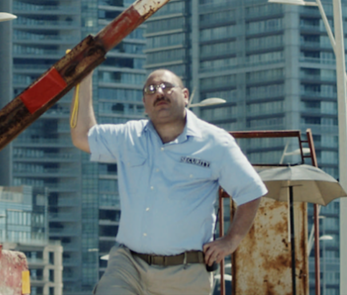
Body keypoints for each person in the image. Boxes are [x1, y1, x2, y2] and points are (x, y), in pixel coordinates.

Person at [70, 68, 267, 294]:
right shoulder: (129, 136)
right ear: (144, 103)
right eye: (151, 89)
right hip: (128, 265)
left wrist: (231, 240)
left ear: (185, 96)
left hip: (184, 273)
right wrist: (84, 76)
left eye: (166, 87)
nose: (159, 93)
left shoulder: (215, 142)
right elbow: (82, 136)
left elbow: (251, 191)